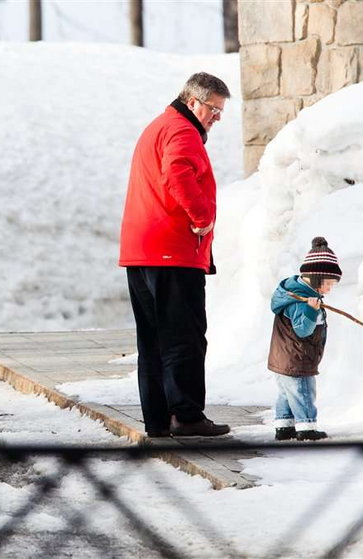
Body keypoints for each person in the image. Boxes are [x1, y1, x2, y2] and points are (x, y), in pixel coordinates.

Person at [118, 72, 231, 438]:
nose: (218, 117)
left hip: (142, 252)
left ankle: (158, 419)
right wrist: (202, 218)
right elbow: (177, 174)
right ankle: (186, 415)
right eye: (214, 108)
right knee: (184, 336)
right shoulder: (182, 131)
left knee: (152, 340)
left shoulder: (160, 126)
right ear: (194, 101)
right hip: (171, 252)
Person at [268, 236, 343, 441]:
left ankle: (284, 426)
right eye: (328, 284)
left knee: (287, 393)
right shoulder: (301, 301)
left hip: (285, 357)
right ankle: (306, 428)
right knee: (303, 392)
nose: (329, 289)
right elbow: (302, 331)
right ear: (317, 278)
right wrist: (311, 311)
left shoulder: (296, 293)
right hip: (297, 358)